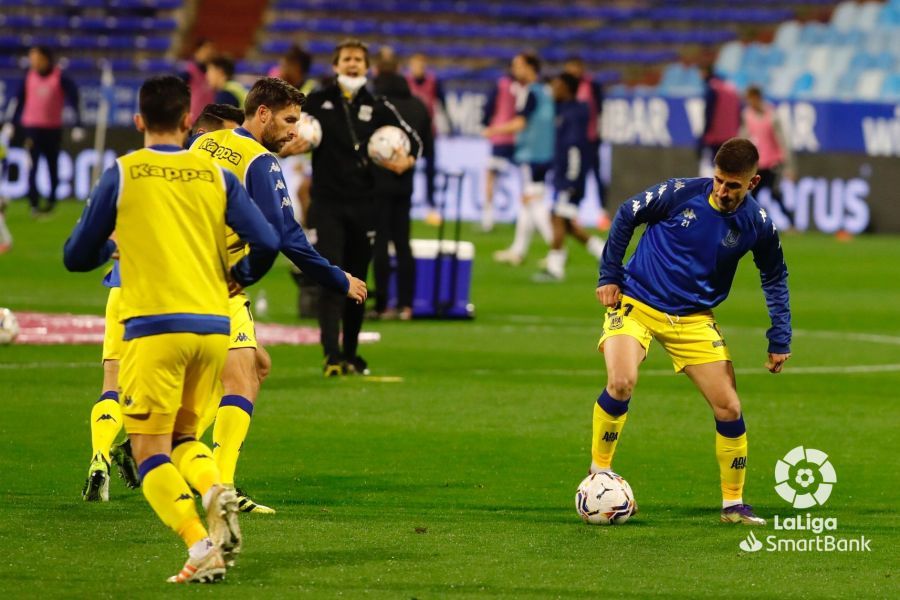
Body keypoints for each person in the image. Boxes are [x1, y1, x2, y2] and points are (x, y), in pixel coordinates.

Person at [64, 74, 280, 582]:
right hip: (213, 324)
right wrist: (241, 275)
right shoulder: (215, 175)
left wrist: (109, 247)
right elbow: (269, 240)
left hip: (154, 325)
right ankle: (215, 489)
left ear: (138, 120)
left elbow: (75, 255)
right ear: (188, 121)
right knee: (185, 435)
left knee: (148, 450)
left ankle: (200, 544)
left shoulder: (124, 172)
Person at [592, 138, 791, 526]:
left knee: (729, 407)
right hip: (637, 302)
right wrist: (609, 274)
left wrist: (780, 336)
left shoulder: (757, 223)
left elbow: (774, 276)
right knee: (621, 382)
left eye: (733, 185)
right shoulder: (680, 192)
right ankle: (599, 472)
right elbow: (628, 212)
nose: (722, 190)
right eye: (719, 180)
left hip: (694, 319)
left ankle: (733, 505)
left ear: (753, 183)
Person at [190, 77, 367, 510]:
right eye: (289, 121)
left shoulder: (204, 144)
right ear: (263, 113)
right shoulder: (260, 162)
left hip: (178, 274)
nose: (294, 132)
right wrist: (338, 278)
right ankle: (216, 482)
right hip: (218, 282)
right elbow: (285, 236)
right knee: (241, 377)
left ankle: (169, 446)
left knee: (257, 365)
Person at [81, 102, 250, 503]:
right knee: (213, 384)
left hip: (123, 287)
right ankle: (205, 487)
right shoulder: (203, 179)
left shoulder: (132, 171)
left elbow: (92, 241)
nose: (235, 145)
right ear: (200, 133)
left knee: (113, 383)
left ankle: (100, 458)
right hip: (174, 298)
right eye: (228, 136)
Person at [299, 39, 422, 376]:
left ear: (367, 68)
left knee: (358, 281)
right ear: (335, 65)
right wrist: (288, 145)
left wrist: (406, 160)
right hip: (327, 205)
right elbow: (287, 131)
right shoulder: (316, 102)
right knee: (332, 277)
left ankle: (351, 354)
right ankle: (331, 355)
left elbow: (414, 140)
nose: (352, 64)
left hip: (366, 205)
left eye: (358, 59)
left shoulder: (378, 105)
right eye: (347, 59)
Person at [371, 69, 433, 320]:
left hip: (377, 184)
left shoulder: (378, 106)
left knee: (380, 244)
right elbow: (427, 147)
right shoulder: (419, 106)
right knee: (403, 243)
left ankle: (382, 304)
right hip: (404, 184)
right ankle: (406, 305)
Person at [484, 52, 555, 266]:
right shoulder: (545, 90)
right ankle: (518, 250)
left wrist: (494, 130)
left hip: (532, 153)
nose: (514, 70)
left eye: (518, 65)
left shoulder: (530, 92)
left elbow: (520, 123)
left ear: (530, 68)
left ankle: (556, 249)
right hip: (545, 152)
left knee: (533, 200)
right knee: (527, 201)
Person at [533, 72, 605, 282]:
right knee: (566, 224)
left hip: (570, 178)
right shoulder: (563, 110)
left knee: (557, 217)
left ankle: (555, 268)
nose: (553, 90)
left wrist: (571, 180)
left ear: (567, 89)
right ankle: (604, 253)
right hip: (563, 175)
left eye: (557, 86)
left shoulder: (573, 115)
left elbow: (574, 149)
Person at [6, 46, 84, 215]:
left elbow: (74, 99)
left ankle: (51, 201)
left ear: (46, 59)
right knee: (31, 165)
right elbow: (19, 100)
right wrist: (11, 123)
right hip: (32, 128)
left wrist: (78, 124)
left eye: (36, 58)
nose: (33, 62)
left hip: (52, 129)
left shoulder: (59, 77)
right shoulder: (28, 76)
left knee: (52, 165)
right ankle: (33, 202)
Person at [563, 56, 609, 231]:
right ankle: (573, 213)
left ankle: (602, 213)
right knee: (574, 177)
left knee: (596, 175)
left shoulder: (591, 85)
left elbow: (600, 110)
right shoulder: (564, 87)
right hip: (571, 140)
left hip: (590, 140)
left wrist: (598, 132)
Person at [741, 85, 795, 228]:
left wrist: (789, 166)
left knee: (774, 193)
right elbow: (744, 137)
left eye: (751, 99)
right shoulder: (747, 115)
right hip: (759, 163)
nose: (750, 102)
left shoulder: (772, 115)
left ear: (757, 98)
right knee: (754, 195)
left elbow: (782, 140)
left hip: (774, 162)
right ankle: (756, 222)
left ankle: (791, 222)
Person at [405, 52, 445, 219]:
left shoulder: (433, 81)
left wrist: (448, 126)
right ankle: (407, 202)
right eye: (415, 65)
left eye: (421, 66)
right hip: (409, 132)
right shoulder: (405, 82)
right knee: (408, 169)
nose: (418, 69)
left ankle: (431, 205)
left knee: (430, 171)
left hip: (429, 132)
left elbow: (442, 103)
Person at [480, 73, 519, 232]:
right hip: (519, 138)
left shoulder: (501, 85)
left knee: (491, 177)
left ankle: (488, 219)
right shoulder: (526, 87)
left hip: (501, 138)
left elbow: (488, 107)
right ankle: (524, 215)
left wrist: (486, 124)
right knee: (524, 178)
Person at [698, 65, 741, 177]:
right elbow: (739, 111)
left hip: (715, 135)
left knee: (714, 165)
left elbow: (709, 112)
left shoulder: (712, 88)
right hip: (731, 134)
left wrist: (705, 132)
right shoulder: (731, 88)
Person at [181, 38, 217, 122]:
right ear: (197, 51)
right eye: (206, 49)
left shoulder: (214, 72)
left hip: (209, 119)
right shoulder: (188, 71)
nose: (209, 53)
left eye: (211, 49)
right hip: (193, 119)